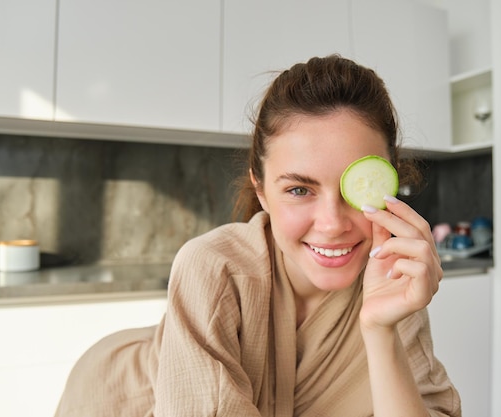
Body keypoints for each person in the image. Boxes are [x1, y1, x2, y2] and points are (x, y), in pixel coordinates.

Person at [55, 55, 461, 417]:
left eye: (355, 190)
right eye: (299, 190)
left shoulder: (392, 283)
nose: (333, 222)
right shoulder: (213, 268)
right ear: (262, 190)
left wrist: (379, 330)